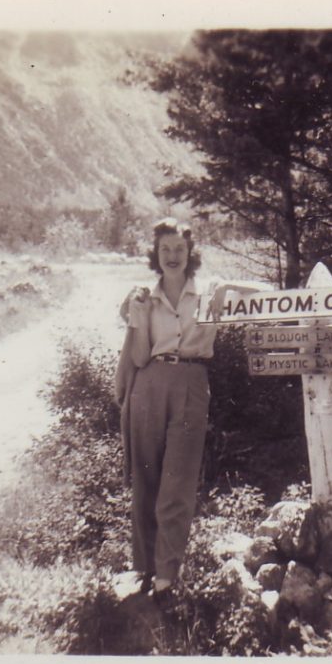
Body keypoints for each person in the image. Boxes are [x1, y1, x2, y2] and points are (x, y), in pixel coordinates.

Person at [118, 218, 260, 603]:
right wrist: (138, 313)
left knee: (177, 483)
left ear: (190, 253)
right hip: (149, 384)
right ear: (155, 254)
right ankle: (144, 568)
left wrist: (230, 288)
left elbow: (266, 294)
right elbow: (140, 355)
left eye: (179, 249)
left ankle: (167, 575)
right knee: (146, 481)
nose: (172, 256)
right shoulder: (145, 296)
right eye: (165, 249)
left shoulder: (210, 290)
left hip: (192, 385)